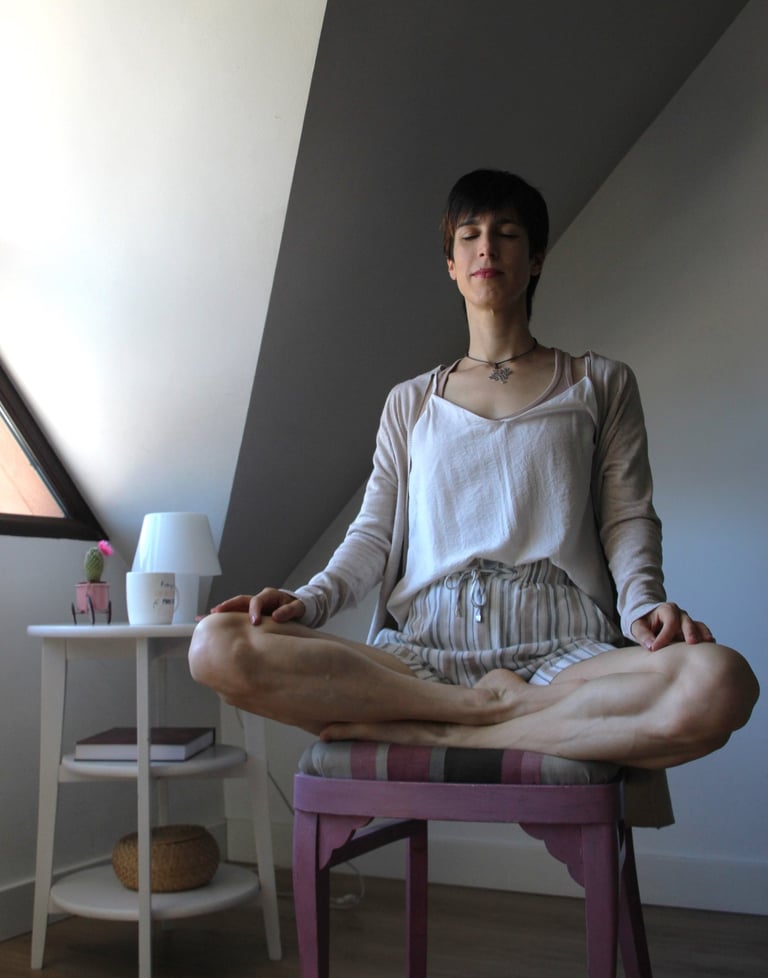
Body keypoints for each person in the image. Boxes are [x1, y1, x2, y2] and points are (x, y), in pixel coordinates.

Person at [190, 169, 759, 769]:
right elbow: (374, 535)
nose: (487, 247)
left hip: (565, 649)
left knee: (722, 682)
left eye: (506, 233)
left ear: (535, 259)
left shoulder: (600, 383)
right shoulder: (410, 402)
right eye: (469, 235)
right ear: (451, 264)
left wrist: (644, 607)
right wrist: (308, 602)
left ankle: (450, 731)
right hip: (424, 651)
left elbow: (628, 518)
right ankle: (489, 712)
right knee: (217, 645)